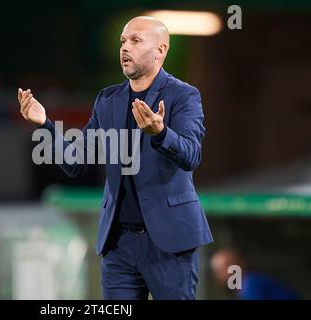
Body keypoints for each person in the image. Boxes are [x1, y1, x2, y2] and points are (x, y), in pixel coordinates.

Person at [17, 16, 213, 299]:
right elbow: (75, 162)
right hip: (119, 245)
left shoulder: (183, 95)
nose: (125, 47)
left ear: (161, 50)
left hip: (169, 242)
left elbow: (191, 155)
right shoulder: (107, 100)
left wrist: (160, 132)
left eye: (136, 41)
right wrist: (45, 123)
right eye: (123, 41)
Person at [211, 248, 300, 300]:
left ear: (241, 263)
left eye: (227, 265)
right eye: (218, 270)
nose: (223, 273)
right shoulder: (246, 286)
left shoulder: (251, 284)